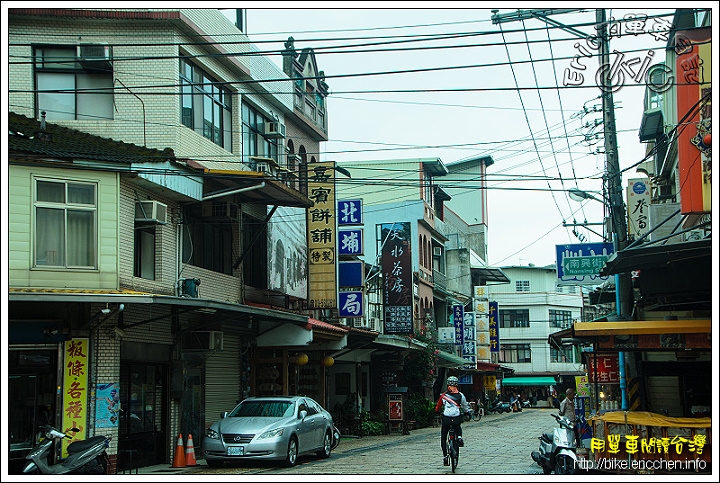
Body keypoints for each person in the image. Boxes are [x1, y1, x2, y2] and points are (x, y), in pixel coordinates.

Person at [434, 376, 471, 466]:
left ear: (448, 385)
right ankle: (459, 437)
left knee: (443, 438)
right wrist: (467, 413)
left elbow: (438, 407)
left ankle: (445, 457)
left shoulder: (444, 396)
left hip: (446, 418)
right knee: (458, 427)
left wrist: (436, 412)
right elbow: (465, 406)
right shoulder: (461, 395)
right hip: (456, 417)